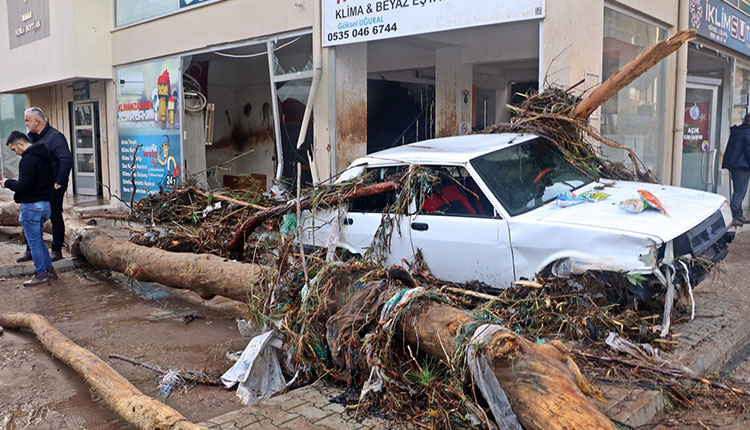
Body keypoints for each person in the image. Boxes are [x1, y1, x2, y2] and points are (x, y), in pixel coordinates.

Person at [16, 107, 73, 263]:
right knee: (29, 217)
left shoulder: (56, 137)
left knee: (55, 216)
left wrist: (60, 182)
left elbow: (66, 160)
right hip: (36, 186)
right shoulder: (31, 138)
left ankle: (56, 250)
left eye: (27, 120)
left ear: (37, 121)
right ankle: (30, 250)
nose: (26, 124)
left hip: (53, 186)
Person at [1, 131, 57, 285]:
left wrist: (8, 183)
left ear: (20, 143)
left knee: (34, 242)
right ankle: (49, 270)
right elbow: (33, 181)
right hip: (45, 204)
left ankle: (40, 274)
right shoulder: (44, 155)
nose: (15, 153)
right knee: (39, 240)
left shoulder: (28, 159)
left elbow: (24, 185)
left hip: (32, 206)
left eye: (13, 149)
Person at [722, 113, 750, 224]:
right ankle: (736, 214)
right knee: (740, 191)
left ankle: (736, 213)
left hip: (734, 165)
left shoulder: (737, 131)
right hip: (743, 166)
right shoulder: (747, 132)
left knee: (737, 190)